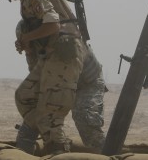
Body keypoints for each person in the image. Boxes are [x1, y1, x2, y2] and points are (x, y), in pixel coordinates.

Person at [0, 0, 84, 155]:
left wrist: (27, 37)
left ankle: (58, 153)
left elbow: (53, 25)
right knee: (24, 97)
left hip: (62, 54)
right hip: (50, 56)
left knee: (49, 112)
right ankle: (48, 137)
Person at [16, 19, 106, 151]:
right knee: (32, 118)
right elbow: (39, 81)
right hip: (61, 86)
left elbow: (64, 76)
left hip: (86, 84)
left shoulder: (64, 41)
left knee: (85, 119)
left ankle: (107, 154)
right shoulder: (37, 49)